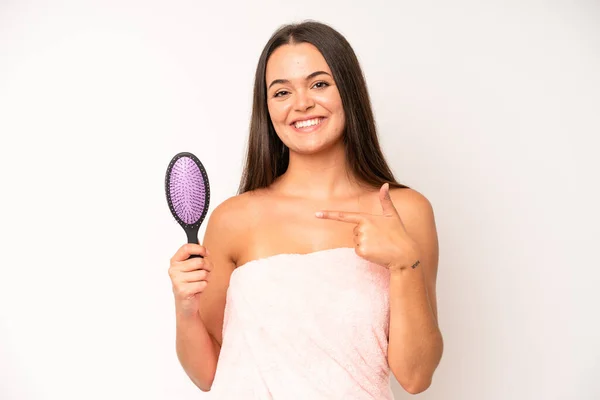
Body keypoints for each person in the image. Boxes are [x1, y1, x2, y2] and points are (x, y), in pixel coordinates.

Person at [168, 21, 443, 398]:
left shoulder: (406, 211)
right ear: (267, 108)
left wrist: (403, 263)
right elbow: (208, 374)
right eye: (281, 92)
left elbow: (416, 376)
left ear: (348, 89)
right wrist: (185, 308)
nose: (301, 104)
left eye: (319, 84)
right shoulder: (234, 219)